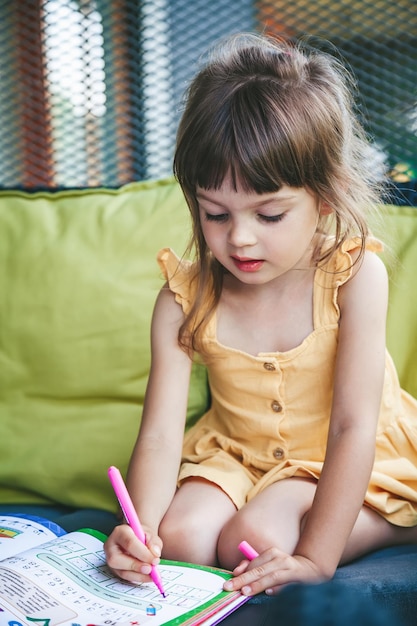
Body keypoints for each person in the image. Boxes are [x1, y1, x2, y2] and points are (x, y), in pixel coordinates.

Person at [104, 32, 417, 597]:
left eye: (269, 214)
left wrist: (317, 560)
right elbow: (158, 438)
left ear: (324, 197)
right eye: (215, 213)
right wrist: (140, 530)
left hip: (342, 458)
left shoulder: (354, 277)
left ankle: (387, 522)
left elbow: (352, 429)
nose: (239, 240)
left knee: (257, 536)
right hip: (235, 454)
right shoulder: (183, 298)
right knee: (182, 538)